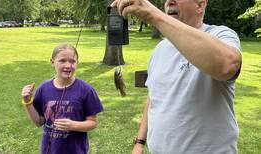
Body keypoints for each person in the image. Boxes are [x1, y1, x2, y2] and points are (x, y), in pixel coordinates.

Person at [111, 0, 242, 153]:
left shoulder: (219, 35)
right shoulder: (159, 49)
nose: (169, 2)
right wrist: (139, 142)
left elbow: (227, 66)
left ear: (200, 5)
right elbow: (154, 97)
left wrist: (154, 15)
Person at [21, 44, 103, 154]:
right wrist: (27, 102)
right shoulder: (43, 89)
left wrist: (73, 125)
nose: (68, 65)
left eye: (72, 61)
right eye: (62, 61)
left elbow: (92, 123)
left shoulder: (86, 90)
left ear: (77, 63)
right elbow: (39, 122)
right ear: (52, 62)